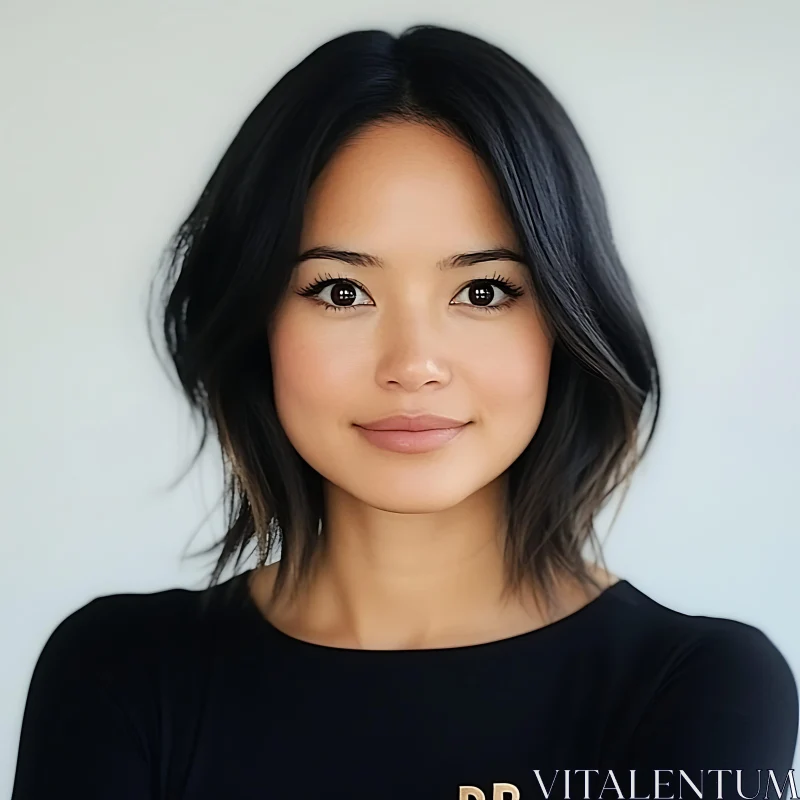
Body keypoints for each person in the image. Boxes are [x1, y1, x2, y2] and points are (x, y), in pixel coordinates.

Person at [11, 24, 798, 800]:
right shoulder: (117, 672)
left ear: (565, 318)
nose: (414, 364)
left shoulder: (699, 688)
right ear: (258, 322)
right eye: (341, 291)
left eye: (482, 291)